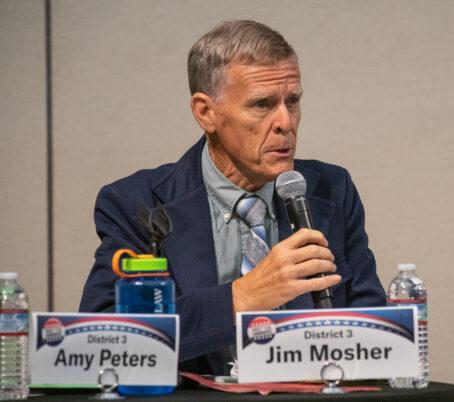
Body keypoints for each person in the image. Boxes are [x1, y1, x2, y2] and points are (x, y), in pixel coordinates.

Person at [79, 20, 385, 375]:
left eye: (293, 101)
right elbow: (103, 338)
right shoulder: (139, 204)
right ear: (206, 113)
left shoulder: (329, 190)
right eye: (262, 104)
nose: (285, 122)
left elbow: (372, 327)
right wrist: (241, 298)